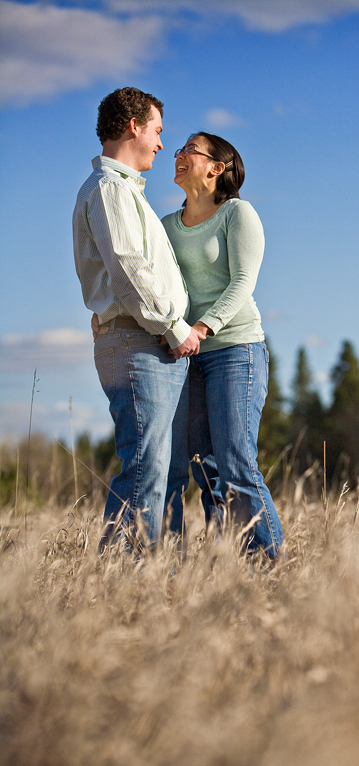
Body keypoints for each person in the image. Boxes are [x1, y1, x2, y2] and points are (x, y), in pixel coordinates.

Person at [73, 87, 204, 551]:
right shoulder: (110, 190)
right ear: (133, 126)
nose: (161, 144)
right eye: (157, 131)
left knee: (161, 467)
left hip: (148, 342)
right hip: (139, 342)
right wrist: (174, 327)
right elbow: (129, 270)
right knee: (145, 465)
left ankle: (154, 574)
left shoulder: (124, 191)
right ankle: (120, 579)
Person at [163, 132, 283, 559]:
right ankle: (231, 561)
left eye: (188, 151)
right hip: (188, 356)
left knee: (235, 464)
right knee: (204, 468)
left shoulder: (237, 213)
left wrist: (202, 327)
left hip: (236, 350)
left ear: (217, 167)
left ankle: (268, 565)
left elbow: (242, 283)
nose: (177, 155)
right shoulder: (167, 227)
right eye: (177, 149)